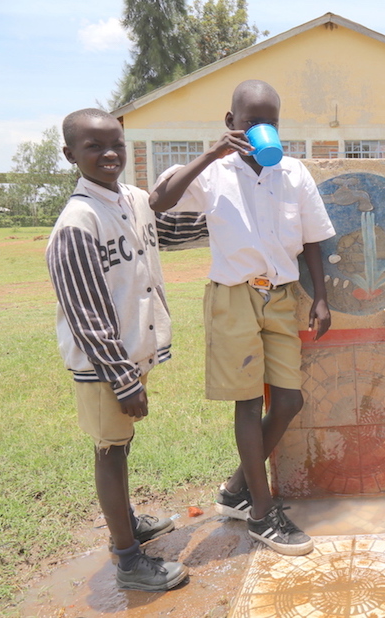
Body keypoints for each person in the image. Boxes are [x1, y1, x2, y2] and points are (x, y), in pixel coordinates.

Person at [150, 80, 335, 557]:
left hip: (281, 295)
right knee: (249, 402)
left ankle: (235, 492)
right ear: (231, 123)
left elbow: (314, 238)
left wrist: (320, 298)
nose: (261, 131)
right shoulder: (214, 173)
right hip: (233, 296)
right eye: (251, 122)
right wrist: (211, 155)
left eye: (270, 122)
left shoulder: (293, 173)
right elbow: (159, 201)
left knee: (289, 400)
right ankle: (261, 513)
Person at [47, 108, 208, 591]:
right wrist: (122, 380)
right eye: (94, 146)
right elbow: (87, 313)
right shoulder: (77, 223)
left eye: (116, 142)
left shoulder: (132, 199)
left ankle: (128, 524)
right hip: (104, 367)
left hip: (131, 355)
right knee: (110, 453)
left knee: (121, 444)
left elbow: (166, 234)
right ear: (70, 154)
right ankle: (127, 559)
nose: (109, 153)